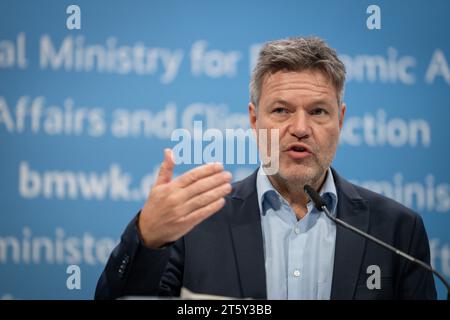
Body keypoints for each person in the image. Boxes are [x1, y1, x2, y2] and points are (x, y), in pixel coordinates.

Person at [95, 36, 437, 300]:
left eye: (318, 111)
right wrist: (147, 239)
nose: (300, 127)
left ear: (341, 120)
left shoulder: (396, 231)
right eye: (281, 111)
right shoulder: (196, 223)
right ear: (254, 119)